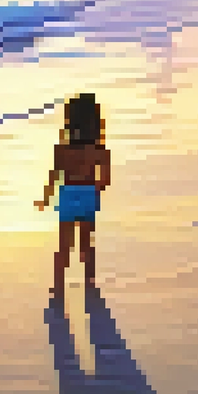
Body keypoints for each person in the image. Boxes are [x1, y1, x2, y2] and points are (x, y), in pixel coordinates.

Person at [36, 93, 112, 300]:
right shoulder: (99, 150)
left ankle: (58, 285)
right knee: (86, 244)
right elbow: (105, 180)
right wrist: (94, 190)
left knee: (64, 245)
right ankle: (89, 282)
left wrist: (46, 198)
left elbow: (54, 176)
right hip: (87, 194)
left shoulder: (62, 150)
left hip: (67, 195)